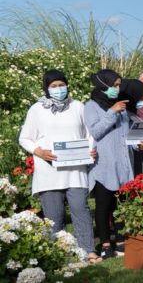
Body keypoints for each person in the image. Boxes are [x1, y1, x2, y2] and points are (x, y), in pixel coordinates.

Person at [18, 70, 101, 264]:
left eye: (61, 85)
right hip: (49, 170)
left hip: (75, 170)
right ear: (46, 88)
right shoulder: (37, 110)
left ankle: (88, 250)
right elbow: (25, 138)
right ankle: (60, 253)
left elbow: (89, 134)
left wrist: (91, 150)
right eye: (53, 86)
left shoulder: (78, 106)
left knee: (81, 209)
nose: (58, 89)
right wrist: (39, 152)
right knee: (54, 216)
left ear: (67, 85)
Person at [84, 70, 132, 259]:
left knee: (121, 207)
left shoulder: (121, 106)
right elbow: (95, 131)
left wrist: (139, 143)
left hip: (123, 164)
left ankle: (121, 242)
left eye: (119, 85)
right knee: (104, 206)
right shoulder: (91, 106)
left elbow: (125, 134)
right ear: (103, 85)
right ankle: (105, 245)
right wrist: (112, 112)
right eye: (114, 85)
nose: (117, 89)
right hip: (104, 164)